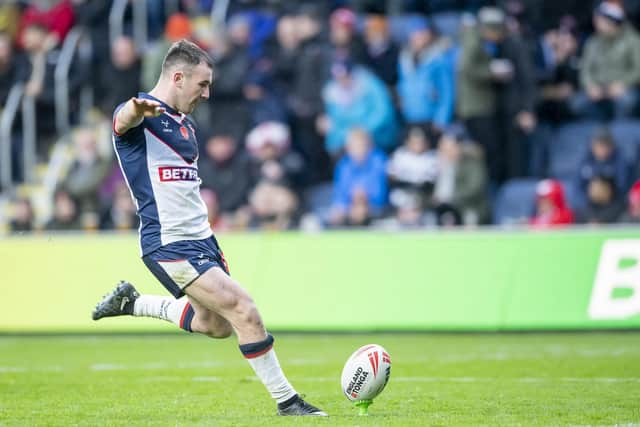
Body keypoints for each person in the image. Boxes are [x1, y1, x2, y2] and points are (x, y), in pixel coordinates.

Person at [91, 40, 326, 417]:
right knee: (245, 310)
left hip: (204, 240)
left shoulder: (187, 124)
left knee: (214, 325)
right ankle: (288, 402)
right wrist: (136, 108)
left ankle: (133, 302)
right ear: (178, 77)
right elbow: (122, 121)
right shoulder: (141, 115)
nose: (207, 93)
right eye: (202, 84)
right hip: (169, 243)